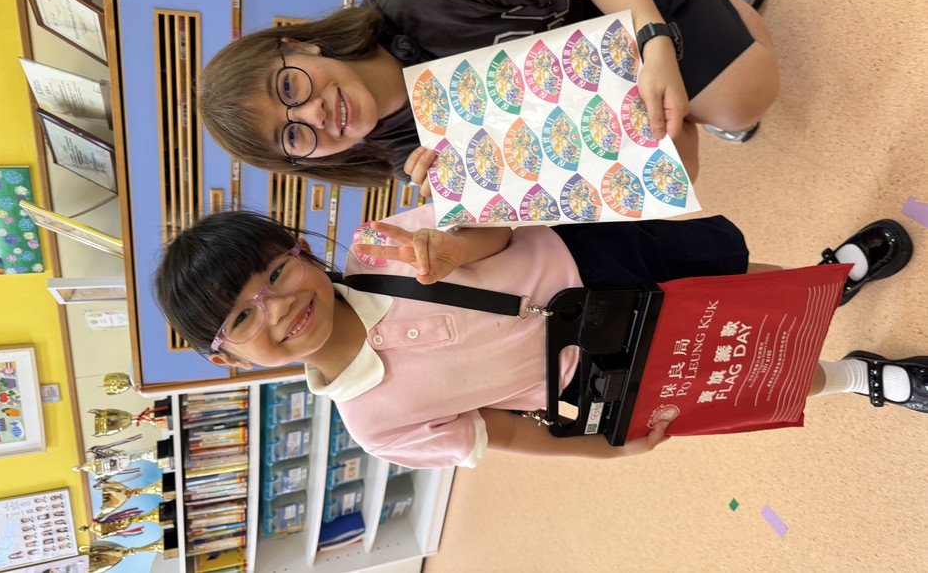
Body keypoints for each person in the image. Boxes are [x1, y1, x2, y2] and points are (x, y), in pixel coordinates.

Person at [154, 207, 918, 469]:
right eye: (241, 318)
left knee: (740, 291)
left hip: (593, 263)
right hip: (595, 364)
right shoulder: (374, 425)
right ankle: (859, 377)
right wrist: (604, 450)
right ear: (227, 358)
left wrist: (452, 246)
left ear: (299, 250)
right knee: (746, 369)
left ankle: (826, 283)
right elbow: (508, 433)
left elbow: (498, 230)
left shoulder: (378, 245)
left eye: (274, 273)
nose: (276, 308)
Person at [198, 0, 780, 190]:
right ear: (306, 161)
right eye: (292, 136)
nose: (314, 116)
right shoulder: (397, 150)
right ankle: (687, 68)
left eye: (289, 88)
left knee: (742, 99)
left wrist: (653, 43)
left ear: (300, 46)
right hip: (579, 62)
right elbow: (546, 155)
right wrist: (469, 198)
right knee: (674, 162)